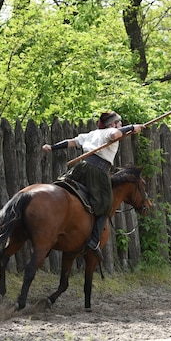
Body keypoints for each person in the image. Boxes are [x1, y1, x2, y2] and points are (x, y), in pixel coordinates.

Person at [42, 111, 144, 261]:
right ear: (113, 124)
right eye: (119, 123)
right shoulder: (110, 131)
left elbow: (71, 142)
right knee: (105, 205)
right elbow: (115, 135)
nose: (121, 125)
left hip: (80, 169)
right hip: (98, 171)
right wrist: (132, 127)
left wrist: (52, 147)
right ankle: (94, 241)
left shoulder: (91, 134)